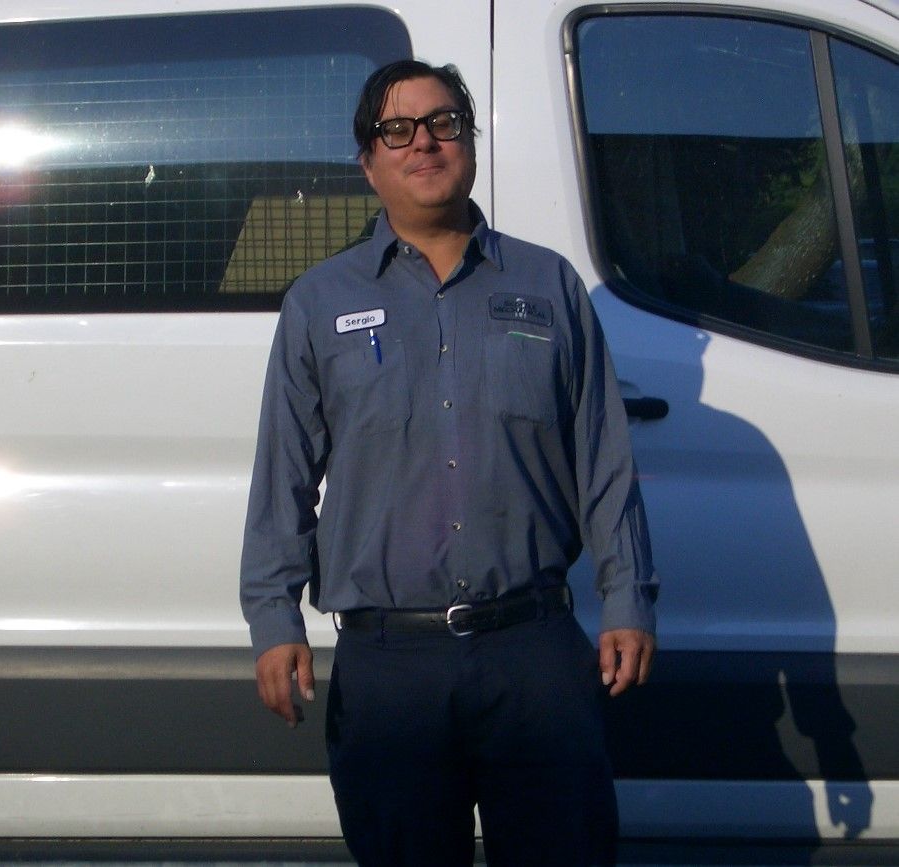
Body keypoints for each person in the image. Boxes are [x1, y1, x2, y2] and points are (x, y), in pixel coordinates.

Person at [240, 59, 659, 867]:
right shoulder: (319, 304)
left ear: (468, 143)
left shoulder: (550, 286)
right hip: (388, 668)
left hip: (534, 653)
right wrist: (273, 617)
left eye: (442, 124)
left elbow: (603, 454)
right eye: (397, 130)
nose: (423, 142)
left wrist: (628, 596)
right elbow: (282, 476)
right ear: (369, 161)